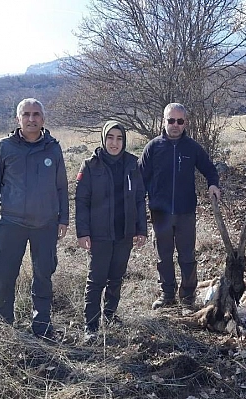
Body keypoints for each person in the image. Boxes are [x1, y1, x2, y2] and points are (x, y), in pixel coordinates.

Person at [0, 98, 69, 340]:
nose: (32, 119)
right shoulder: (4, 147)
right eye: (27, 114)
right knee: (3, 274)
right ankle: (2, 325)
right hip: (11, 222)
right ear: (17, 119)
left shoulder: (53, 147)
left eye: (36, 114)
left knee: (43, 274)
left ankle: (42, 325)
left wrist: (63, 219)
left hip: (45, 224)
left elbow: (62, 186)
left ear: (43, 119)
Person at [139, 103, 221, 309]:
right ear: (163, 121)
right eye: (171, 120)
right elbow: (140, 177)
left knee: (187, 256)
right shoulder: (153, 147)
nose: (175, 125)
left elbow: (210, 169)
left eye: (180, 121)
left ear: (185, 123)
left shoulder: (192, 147)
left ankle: (187, 298)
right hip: (160, 213)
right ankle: (167, 295)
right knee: (163, 256)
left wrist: (213, 184)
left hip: (185, 212)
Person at [75, 120, 148, 342]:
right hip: (99, 234)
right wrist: (83, 232)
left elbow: (138, 199)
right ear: (103, 138)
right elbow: (81, 201)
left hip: (124, 232)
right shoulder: (90, 166)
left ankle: (110, 314)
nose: (114, 143)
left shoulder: (132, 165)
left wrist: (141, 229)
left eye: (119, 138)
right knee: (96, 280)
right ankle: (91, 325)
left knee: (116, 277)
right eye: (110, 138)